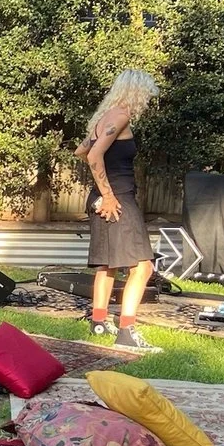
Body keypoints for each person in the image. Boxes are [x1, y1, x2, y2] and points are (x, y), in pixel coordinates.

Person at [75, 69, 161, 351]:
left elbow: (80, 150)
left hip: (103, 197)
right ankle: (127, 331)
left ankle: (99, 321)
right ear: (136, 92)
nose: (148, 100)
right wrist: (109, 196)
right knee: (143, 266)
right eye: (147, 94)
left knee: (109, 263)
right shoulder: (121, 116)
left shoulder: (105, 117)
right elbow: (93, 156)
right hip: (119, 198)